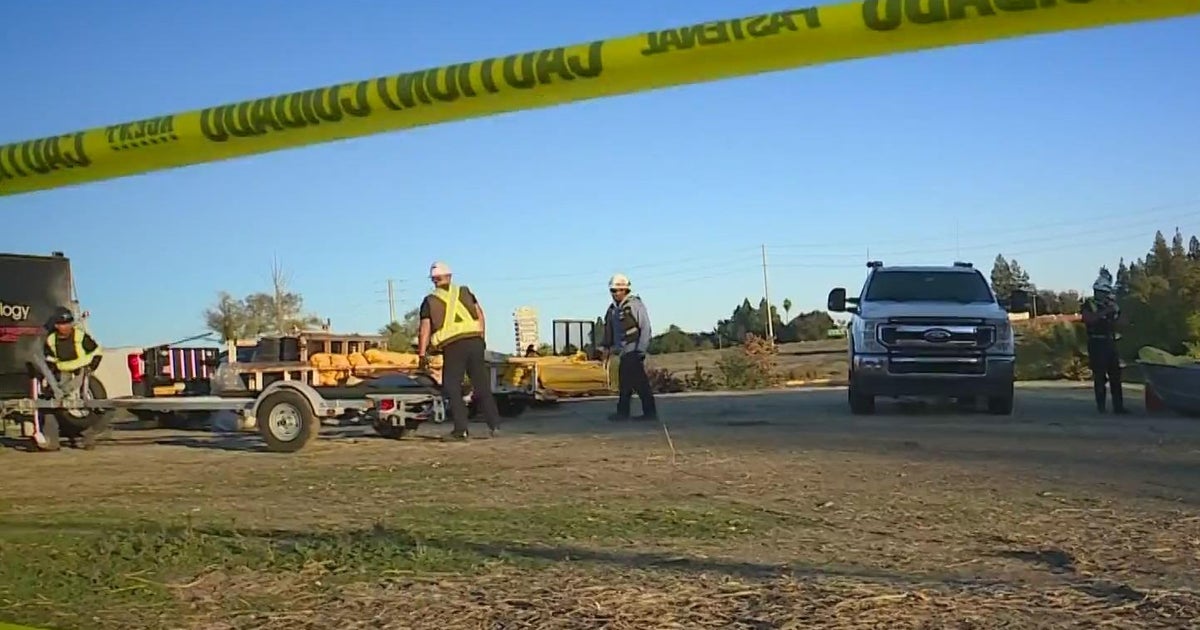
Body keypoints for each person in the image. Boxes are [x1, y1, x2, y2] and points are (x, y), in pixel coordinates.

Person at [417, 262, 501, 440]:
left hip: (454, 346)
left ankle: (460, 430)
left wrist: (422, 354)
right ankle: (495, 425)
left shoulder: (430, 300)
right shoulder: (465, 292)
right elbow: (480, 315)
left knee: (452, 386)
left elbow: (425, 328)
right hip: (475, 341)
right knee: (481, 384)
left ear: (433, 280)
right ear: (450, 276)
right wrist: (482, 339)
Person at [43, 306, 109, 449]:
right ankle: (55, 439)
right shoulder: (50, 340)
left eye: (69, 323)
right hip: (62, 373)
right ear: (56, 325)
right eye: (63, 324)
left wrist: (92, 366)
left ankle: (85, 437)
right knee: (53, 403)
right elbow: (49, 358)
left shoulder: (80, 336)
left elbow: (97, 350)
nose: (67, 327)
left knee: (87, 407)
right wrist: (52, 374)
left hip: (82, 372)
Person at [600, 273, 657, 421]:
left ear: (625, 290)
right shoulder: (612, 310)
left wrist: (641, 350)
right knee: (626, 383)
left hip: (634, 350)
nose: (614, 294)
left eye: (616, 291)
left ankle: (645, 413)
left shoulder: (635, 305)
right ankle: (625, 412)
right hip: (623, 352)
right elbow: (608, 332)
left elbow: (645, 328)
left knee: (639, 383)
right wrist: (605, 350)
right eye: (612, 291)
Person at [1080, 275, 1127, 414]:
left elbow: (1121, 323)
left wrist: (1118, 312)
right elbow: (1088, 319)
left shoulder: (1110, 305)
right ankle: (1101, 407)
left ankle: (1118, 407)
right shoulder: (1089, 304)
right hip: (1096, 342)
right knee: (1100, 376)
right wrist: (1105, 312)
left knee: (1115, 375)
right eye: (1102, 293)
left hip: (1110, 341)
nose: (1104, 296)